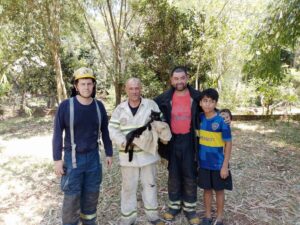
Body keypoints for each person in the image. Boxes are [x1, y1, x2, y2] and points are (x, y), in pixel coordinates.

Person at [52, 67, 113, 225]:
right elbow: (58, 133)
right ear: (76, 86)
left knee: (92, 194)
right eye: (83, 84)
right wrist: (57, 160)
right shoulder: (66, 106)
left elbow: (105, 131)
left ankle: (89, 222)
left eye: (89, 84)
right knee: (72, 197)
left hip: (93, 158)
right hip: (73, 160)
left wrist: (109, 153)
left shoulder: (99, 106)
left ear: (93, 86)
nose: (86, 87)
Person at [108, 78, 165, 225]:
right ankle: (128, 218)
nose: (134, 91)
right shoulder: (120, 109)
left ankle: (152, 216)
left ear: (141, 89)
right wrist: (124, 141)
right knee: (128, 187)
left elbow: (161, 124)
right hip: (128, 156)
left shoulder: (151, 105)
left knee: (150, 184)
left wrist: (153, 134)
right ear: (126, 90)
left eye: (137, 88)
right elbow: (112, 129)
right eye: (131, 88)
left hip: (148, 155)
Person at [154, 66, 201, 225]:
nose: (179, 81)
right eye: (176, 78)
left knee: (189, 173)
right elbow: (149, 110)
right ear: (171, 80)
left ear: (187, 78)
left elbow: (211, 108)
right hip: (172, 140)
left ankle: (190, 209)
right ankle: (173, 206)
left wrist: (225, 115)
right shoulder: (163, 99)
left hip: (190, 140)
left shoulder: (197, 97)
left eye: (182, 78)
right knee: (173, 174)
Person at [197, 88, 232, 225]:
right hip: (204, 163)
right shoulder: (199, 118)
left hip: (218, 164)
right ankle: (207, 216)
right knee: (206, 190)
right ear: (200, 102)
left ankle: (219, 218)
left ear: (216, 103)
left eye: (211, 102)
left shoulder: (222, 121)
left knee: (219, 191)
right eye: (205, 101)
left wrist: (225, 166)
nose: (208, 104)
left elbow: (228, 144)